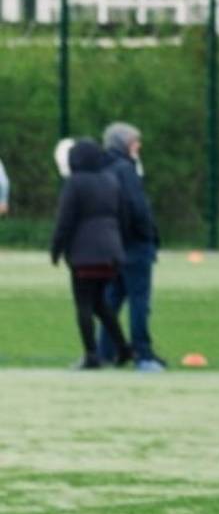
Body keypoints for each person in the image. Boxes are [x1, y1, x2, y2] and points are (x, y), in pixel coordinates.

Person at [50, 138, 132, 369]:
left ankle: (91, 355)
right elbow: (123, 216)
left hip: (84, 254)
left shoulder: (75, 183)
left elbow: (65, 221)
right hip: (111, 254)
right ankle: (124, 348)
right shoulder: (110, 180)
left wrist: (56, 249)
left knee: (83, 304)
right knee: (99, 303)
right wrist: (118, 246)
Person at [98, 122, 166, 371]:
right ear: (123, 144)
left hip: (112, 245)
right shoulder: (126, 169)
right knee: (139, 301)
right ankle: (143, 354)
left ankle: (105, 351)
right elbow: (138, 208)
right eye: (134, 141)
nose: (138, 146)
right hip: (134, 246)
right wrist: (149, 235)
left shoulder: (104, 168)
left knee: (112, 300)